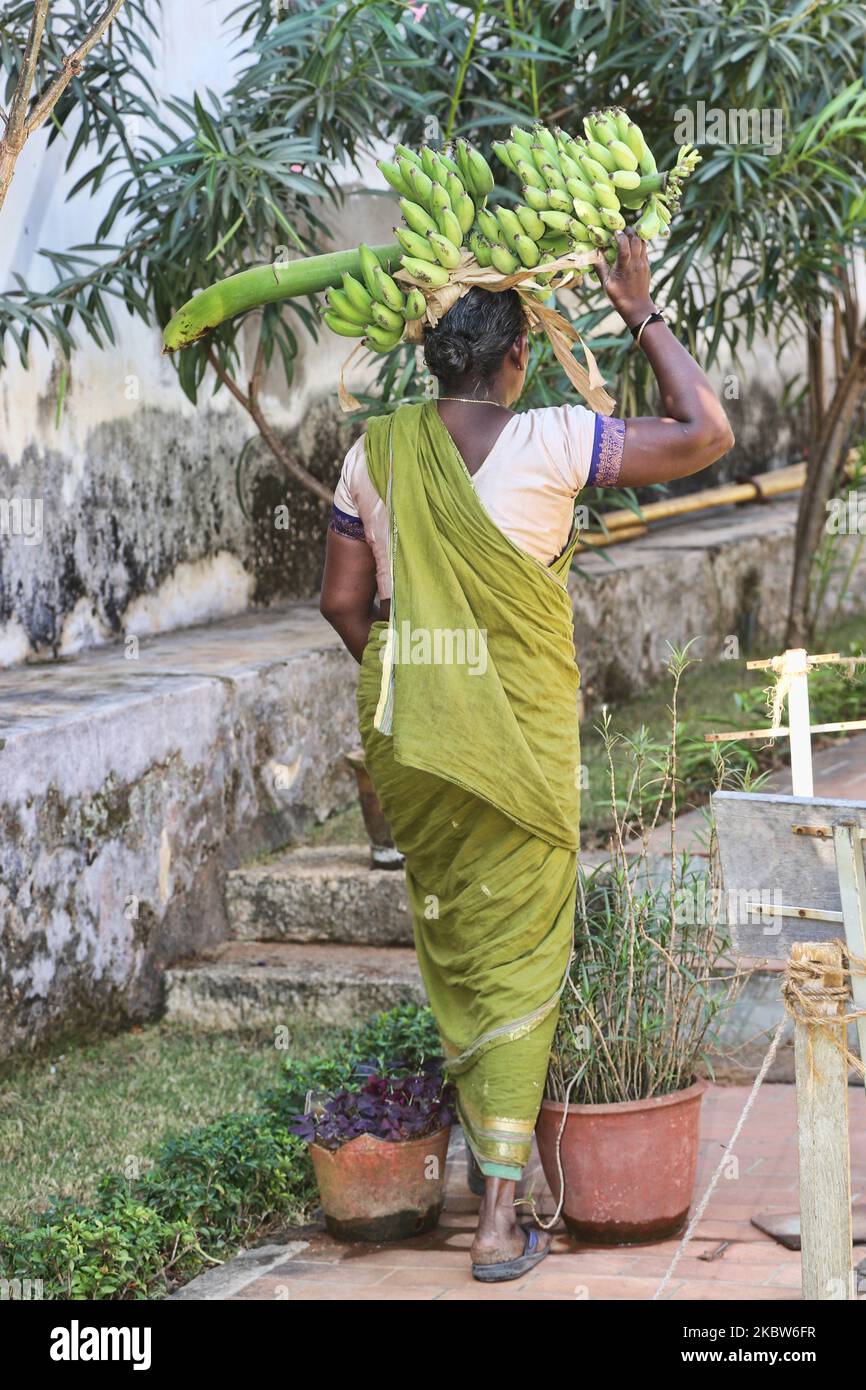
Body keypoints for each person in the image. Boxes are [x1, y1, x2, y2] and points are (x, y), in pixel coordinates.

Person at [319, 229, 733, 1282]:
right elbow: (705, 430)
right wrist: (638, 310)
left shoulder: (371, 451)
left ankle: (484, 1152)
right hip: (519, 745)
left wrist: (429, 685)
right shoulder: (554, 438)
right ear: (515, 356)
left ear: (429, 352)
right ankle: (500, 1216)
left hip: (416, 746)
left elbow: (339, 602)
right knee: (520, 953)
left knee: (458, 943)